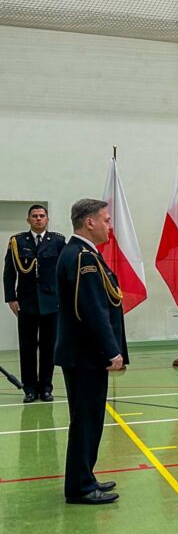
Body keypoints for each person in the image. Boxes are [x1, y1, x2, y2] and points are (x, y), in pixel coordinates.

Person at [55, 199, 127, 505]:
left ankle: (85, 476)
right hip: (86, 355)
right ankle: (80, 487)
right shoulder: (81, 257)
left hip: (82, 354)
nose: (110, 226)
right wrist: (111, 350)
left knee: (89, 419)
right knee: (86, 420)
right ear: (89, 222)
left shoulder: (80, 253)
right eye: (106, 220)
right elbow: (92, 310)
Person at [4, 204, 65, 403]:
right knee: (27, 347)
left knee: (49, 347)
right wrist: (11, 298)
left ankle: (46, 388)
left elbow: (64, 272)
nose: (38, 219)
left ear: (47, 219)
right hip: (27, 303)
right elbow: (9, 272)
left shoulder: (57, 241)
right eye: (34, 216)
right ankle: (29, 389)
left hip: (51, 302)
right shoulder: (17, 242)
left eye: (42, 215)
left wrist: (64, 298)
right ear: (28, 219)